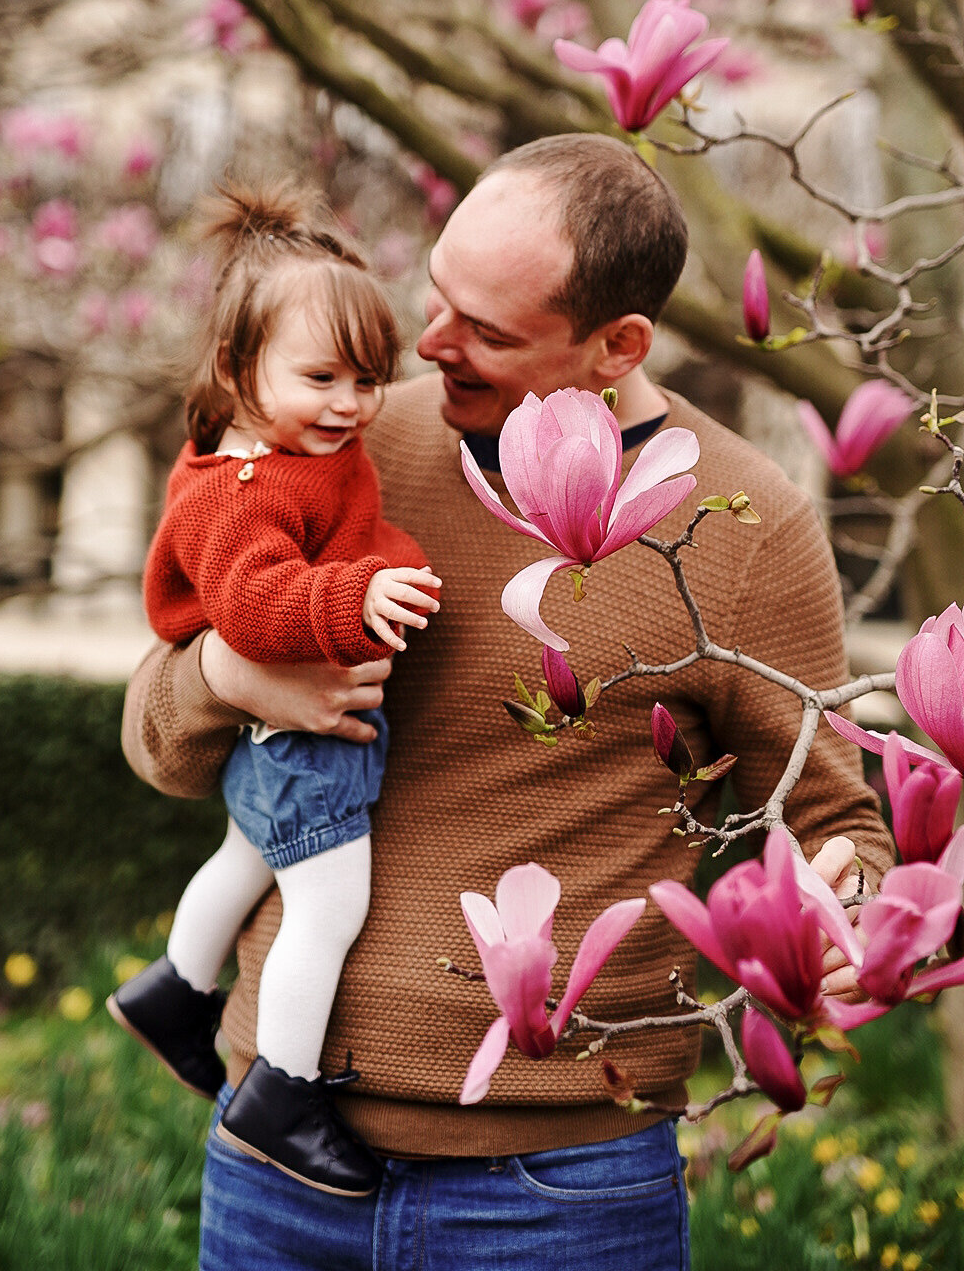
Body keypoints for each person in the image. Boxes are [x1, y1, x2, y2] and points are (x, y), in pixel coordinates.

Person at [121, 135, 893, 1271]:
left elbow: (841, 820)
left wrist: (853, 905)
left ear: (616, 344)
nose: (428, 343)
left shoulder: (744, 523)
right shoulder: (350, 435)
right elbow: (156, 731)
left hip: (558, 1195)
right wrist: (227, 678)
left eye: (485, 328)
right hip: (274, 1168)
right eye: (436, 293)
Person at [109, 180, 441, 1197]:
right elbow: (257, 605)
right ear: (238, 369)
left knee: (248, 852)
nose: (352, 401)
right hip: (301, 733)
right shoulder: (240, 487)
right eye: (323, 375)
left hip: (291, 736)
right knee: (328, 904)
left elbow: (346, 528)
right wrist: (357, 594)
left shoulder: (305, 455)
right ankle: (282, 1092)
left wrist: (385, 560)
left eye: (371, 376)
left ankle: (174, 989)